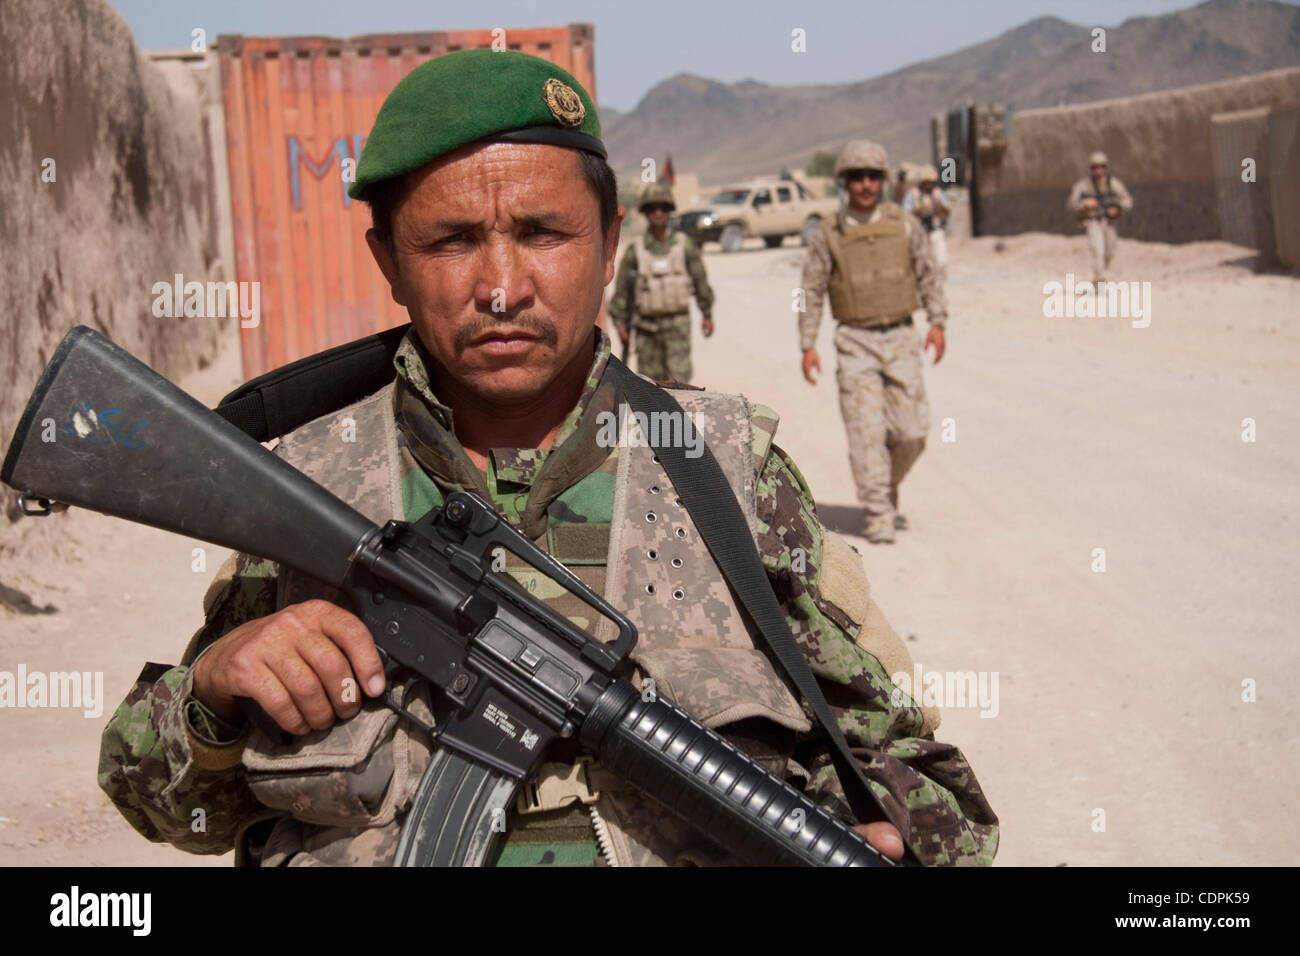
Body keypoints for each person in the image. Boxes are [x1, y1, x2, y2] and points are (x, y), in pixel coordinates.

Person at [97, 52, 996, 867]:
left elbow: (930, 787)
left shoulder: (729, 478)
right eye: (451, 241)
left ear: (609, 246)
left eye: (542, 233)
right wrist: (213, 691)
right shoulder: (306, 490)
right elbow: (164, 806)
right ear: (389, 262)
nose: (500, 287)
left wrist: (888, 841)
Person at [799, 140, 948, 545]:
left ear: (882, 182)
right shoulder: (829, 233)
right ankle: (878, 510)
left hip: (901, 336)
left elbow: (928, 273)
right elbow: (811, 289)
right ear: (844, 182)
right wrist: (807, 343)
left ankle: (884, 484)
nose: (865, 184)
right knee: (866, 434)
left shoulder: (904, 224)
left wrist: (938, 322)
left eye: (872, 177)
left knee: (912, 433)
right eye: (856, 177)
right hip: (854, 342)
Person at [607, 181, 714, 383]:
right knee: (648, 386)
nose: (658, 213)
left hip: (677, 327)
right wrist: (620, 322)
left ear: (670, 211)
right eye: (653, 208)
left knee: (679, 384)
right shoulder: (636, 251)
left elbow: (701, 282)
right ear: (646, 212)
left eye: (663, 208)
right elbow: (621, 291)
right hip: (646, 330)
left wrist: (706, 314)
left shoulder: (685, 246)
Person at [1066, 150, 1133, 283]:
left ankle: (1102, 274)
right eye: (1095, 167)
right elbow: (1071, 204)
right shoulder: (1084, 185)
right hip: (1093, 221)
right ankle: (1099, 278)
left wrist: (1117, 208)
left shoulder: (1113, 184)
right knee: (1098, 250)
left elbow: (1127, 201)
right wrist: (1085, 203)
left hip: (1108, 222)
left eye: (1101, 167)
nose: (1098, 171)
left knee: (1110, 252)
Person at [902, 165, 951, 277]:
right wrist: (918, 210)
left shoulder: (938, 193)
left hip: (934, 228)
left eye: (931, 182)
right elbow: (905, 213)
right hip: (918, 230)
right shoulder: (913, 194)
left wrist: (940, 206)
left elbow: (948, 211)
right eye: (927, 182)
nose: (929, 185)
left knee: (940, 258)